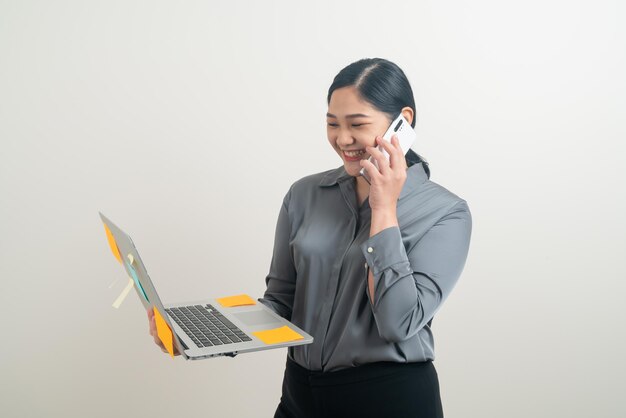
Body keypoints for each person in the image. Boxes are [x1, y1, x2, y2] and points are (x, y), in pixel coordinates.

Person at [148, 57, 472, 418]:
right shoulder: (304, 195)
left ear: (403, 122)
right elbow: (280, 303)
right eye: (332, 123)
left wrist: (384, 209)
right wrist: (200, 334)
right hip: (300, 397)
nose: (342, 139)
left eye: (357, 124)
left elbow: (398, 322)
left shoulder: (446, 213)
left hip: (390, 400)